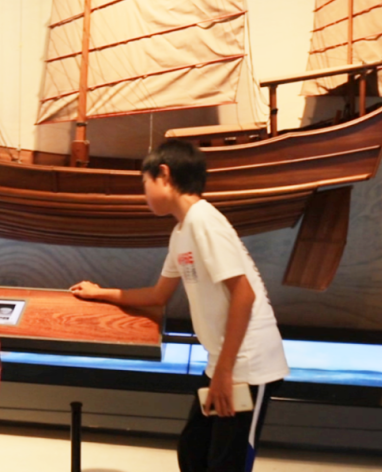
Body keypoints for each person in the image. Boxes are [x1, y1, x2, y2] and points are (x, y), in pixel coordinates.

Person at [71, 139, 288, 472]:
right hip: (223, 362)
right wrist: (101, 293)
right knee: (192, 451)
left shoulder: (204, 220)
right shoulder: (181, 231)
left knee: (226, 462)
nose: (144, 193)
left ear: (164, 174)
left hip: (248, 365)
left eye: (145, 182)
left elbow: (244, 295)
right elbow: (158, 295)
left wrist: (225, 373)